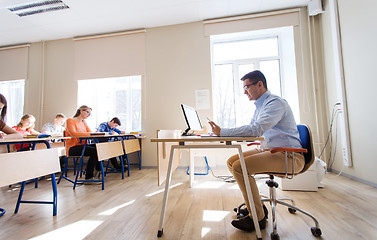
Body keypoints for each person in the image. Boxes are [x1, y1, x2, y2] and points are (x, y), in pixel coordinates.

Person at [208, 70, 305, 232]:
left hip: (289, 156)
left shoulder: (275, 103)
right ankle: (257, 206)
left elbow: (256, 129)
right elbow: (254, 129)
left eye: (246, 87)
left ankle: (257, 218)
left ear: (259, 84)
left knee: (240, 167)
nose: (244, 91)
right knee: (232, 162)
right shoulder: (260, 106)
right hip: (272, 150)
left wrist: (223, 132)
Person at [64, 105, 101, 182]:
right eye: (88, 112)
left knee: (99, 147)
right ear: (81, 110)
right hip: (72, 148)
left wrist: (84, 133)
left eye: (90, 113)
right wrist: (86, 133)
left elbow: (90, 133)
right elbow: (74, 134)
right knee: (94, 151)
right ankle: (89, 176)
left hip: (82, 146)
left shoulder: (83, 122)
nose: (89, 115)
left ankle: (97, 170)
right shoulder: (70, 121)